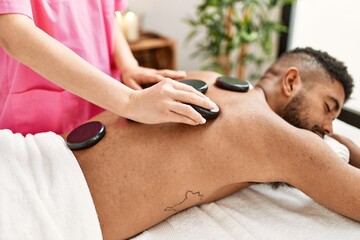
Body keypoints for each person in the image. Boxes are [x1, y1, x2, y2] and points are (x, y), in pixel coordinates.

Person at [1, 47, 359, 240]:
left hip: (23, 155)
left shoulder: (203, 77)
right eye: (328, 108)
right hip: (40, 211)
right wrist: (344, 142)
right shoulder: (276, 136)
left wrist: (335, 135)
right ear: (292, 81)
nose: (327, 127)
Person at [0, 0, 215, 135]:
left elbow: (105, 13)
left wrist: (129, 65)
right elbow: (14, 32)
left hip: (105, 103)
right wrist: (129, 101)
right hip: (38, 121)